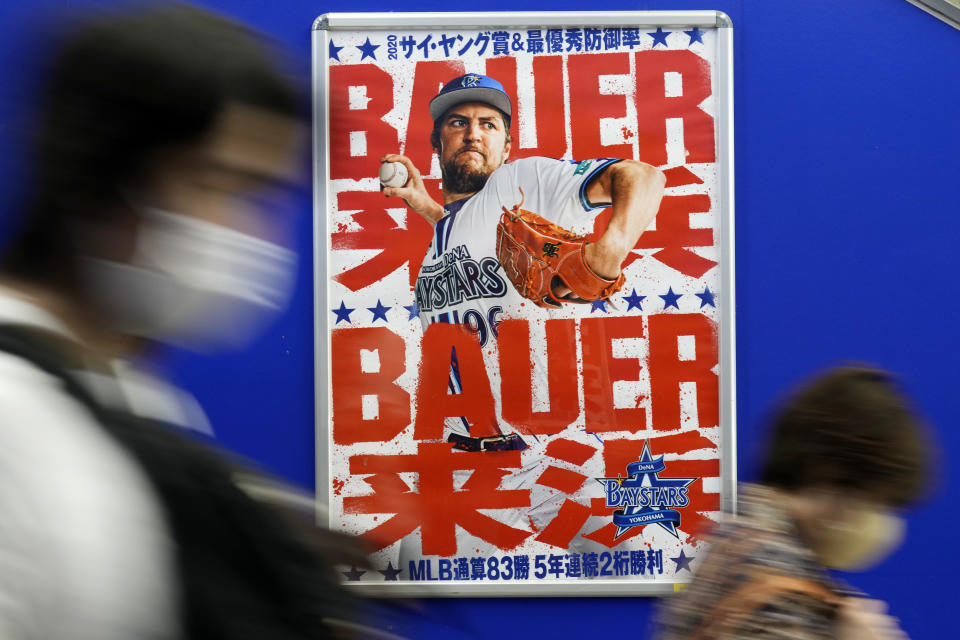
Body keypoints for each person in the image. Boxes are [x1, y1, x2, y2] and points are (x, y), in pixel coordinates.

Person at [0, 4, 367, 639]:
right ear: (96, 175)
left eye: (263, 195)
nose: (247, 231)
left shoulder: (133, 401)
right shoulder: (13, 417)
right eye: (216, 183)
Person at [382, 72, 666, 454]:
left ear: (507, 146)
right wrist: (428, 207)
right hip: (462, 454)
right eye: (458, 123)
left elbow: (642, 176)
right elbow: (468, 239)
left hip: (541, 453)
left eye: (488, 124)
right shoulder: (446, 233)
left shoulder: (520, 181)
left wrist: (611, 249)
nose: (473, 134)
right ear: (437, 142)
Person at [656, 366, 931, 640]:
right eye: (878, 504)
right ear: (829, 476)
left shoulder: (732, 536)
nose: (882, 527)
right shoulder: (777, 590)